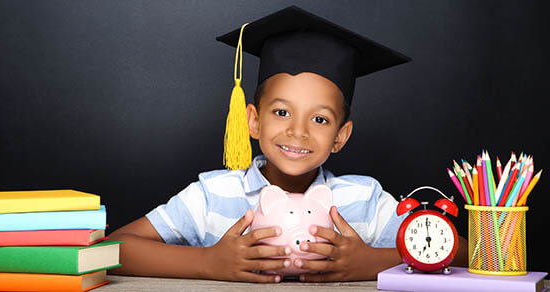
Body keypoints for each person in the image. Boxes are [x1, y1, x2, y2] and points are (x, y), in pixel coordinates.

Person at [108, 5, 468, 282]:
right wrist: (208, 262)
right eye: (281, 112)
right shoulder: (212, 195)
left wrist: (369, 262)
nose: (298, 131)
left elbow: (465, 252)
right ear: (252, 120)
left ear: (341, 136)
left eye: (320, 119)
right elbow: (112, 250)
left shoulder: (363, 201)